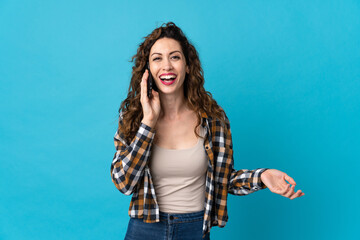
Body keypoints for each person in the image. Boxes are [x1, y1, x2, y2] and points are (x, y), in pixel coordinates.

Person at [110, 22, 305, 240]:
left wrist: (263, 176)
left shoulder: (212, 119)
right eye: (157, 58)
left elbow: (225, 179)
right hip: (144, 229)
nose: (167, 66)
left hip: (193, 229)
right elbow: (123, 182)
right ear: (147, 69)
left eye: (175, 57)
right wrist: (148, 122)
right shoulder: (134, 117)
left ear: (188, 66)